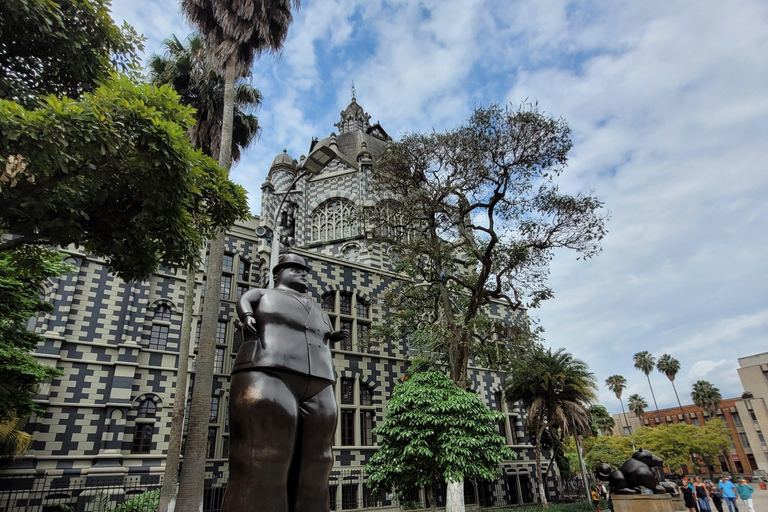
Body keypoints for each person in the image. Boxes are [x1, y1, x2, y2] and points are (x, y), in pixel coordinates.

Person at [221, 254, 347, 512]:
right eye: (296, 269)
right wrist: (246, 315)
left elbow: (321, 335)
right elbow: (244, 301)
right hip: (270, 370)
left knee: (319, 460)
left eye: (305, 270)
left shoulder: (318, 309)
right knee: (265, 455)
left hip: (320, 380)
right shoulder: (261, 295)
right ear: (278, 273)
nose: (303, 273)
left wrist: (333, 335)